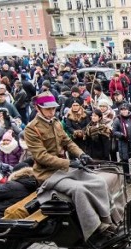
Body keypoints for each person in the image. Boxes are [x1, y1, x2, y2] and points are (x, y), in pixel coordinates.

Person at [24, 92, 117, 239]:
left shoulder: (55, 122)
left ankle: (107, 218)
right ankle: (95, 227)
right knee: (79, 189)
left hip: (64, 169)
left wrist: (81, 154)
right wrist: (69, 162)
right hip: (48, 175)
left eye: (53, 109)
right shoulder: (31, 129)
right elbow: (41, 156)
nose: (51, 112)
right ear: (38, 108)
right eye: (47, 109)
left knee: (98, 181)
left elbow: (68, 142)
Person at [112, 103, 131, 184]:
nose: (124, 111)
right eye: (122, 110)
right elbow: (114, 131)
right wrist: (121, 135)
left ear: (128, 110)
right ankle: (127, 176)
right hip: (123, 142)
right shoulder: (117, 119)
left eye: (125, 109)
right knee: (125, 160)